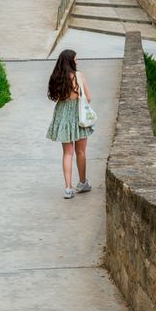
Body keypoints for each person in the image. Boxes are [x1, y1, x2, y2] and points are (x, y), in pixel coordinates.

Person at [44, 48, 94, 198]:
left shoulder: (57, 77)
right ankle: (83, 182)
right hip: (78, 114)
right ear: (71, 61)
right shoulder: (79, 76)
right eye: (76, 59)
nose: (77, 61)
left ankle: (67, 188)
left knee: (67, 153)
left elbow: (55, 96)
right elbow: (88, 97)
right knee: (81, 152)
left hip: (62, 114)